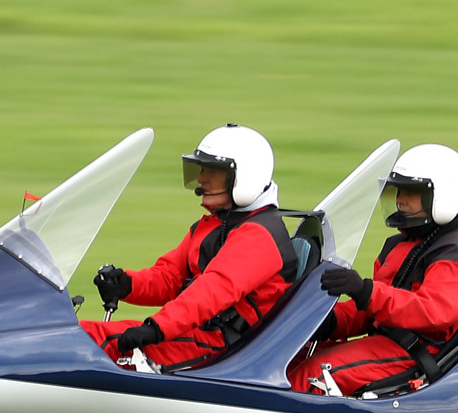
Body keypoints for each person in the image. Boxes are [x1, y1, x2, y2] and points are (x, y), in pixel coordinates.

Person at [289, 143, 458, 396]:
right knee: (293, 355)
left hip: (417, 351)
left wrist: (364, 291)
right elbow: (376, 311)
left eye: (411, 192)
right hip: (392, 339)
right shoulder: (408, 242)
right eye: (399, 190)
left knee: (312, 374)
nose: (400, 200)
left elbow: (428, 311)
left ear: (443, 196)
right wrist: (328, 320)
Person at [81, 123, 298, 369]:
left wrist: (157, 328)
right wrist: (127, 284)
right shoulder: (214, 223)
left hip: (228, 349)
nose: (201, 178)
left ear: (244, 178)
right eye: (202, 168)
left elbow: (210, 293)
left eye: (213, 171)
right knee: (85, 334)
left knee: (97, 339)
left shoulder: (259, 236)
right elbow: (170, 276)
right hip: (198, 333)